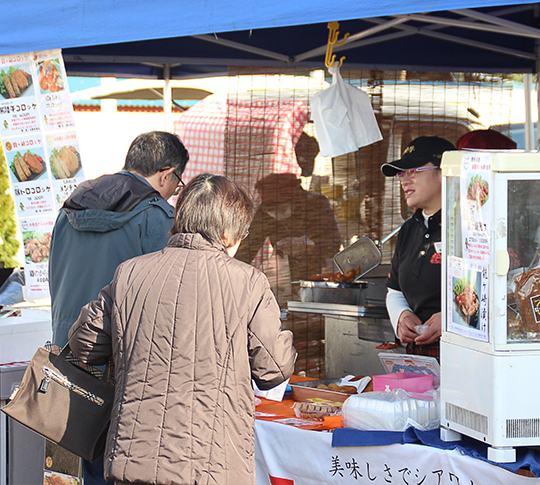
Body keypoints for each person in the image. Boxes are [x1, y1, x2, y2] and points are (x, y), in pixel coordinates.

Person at [68, 173, 296, 485]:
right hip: (212, 465)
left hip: (133, 460)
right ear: (228, 233)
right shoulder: (247, 282)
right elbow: (273, 369)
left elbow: (83, 343)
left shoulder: (130, 274)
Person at [48, 130, 189, 485]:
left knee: (76, 466)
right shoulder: (156, 216)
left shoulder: (72, 206)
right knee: (122, 467)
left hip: (66, 353)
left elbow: (55, 277)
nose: (174, 190)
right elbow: (166, 298)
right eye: (178, 182)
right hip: (124, 362)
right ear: (166, 173)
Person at [382, 136, 455, 358]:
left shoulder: (470, 226)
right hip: (420, 357)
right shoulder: (408, 229)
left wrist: (454, 319)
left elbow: (502, 291)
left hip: (465, 357)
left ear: (443, 172)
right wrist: (402, 317)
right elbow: (395, 290)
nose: (404, 180)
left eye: (412, 171)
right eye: (401, 174)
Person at [236, 172, 342, 282]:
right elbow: (250, 244)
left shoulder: (317, 204)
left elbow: (333, 242)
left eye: (280, 207)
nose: (274, 211)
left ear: (294, 195)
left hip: (320, 270)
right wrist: (233, 268)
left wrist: (309, 244)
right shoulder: (266, 210)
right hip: (286, 271)